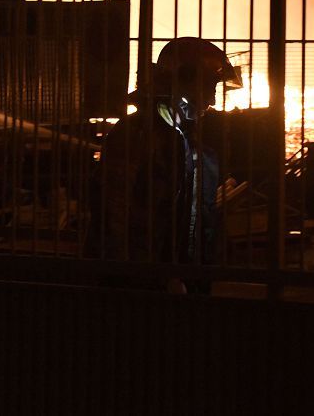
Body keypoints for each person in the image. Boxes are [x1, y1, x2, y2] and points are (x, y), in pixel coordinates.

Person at [98, 37, 241, 272]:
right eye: (209, 87)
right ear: (184, 81)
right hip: (142, 275)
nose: (212, 100)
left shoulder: (181, 134)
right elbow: (116, 212)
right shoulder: (137, 134)